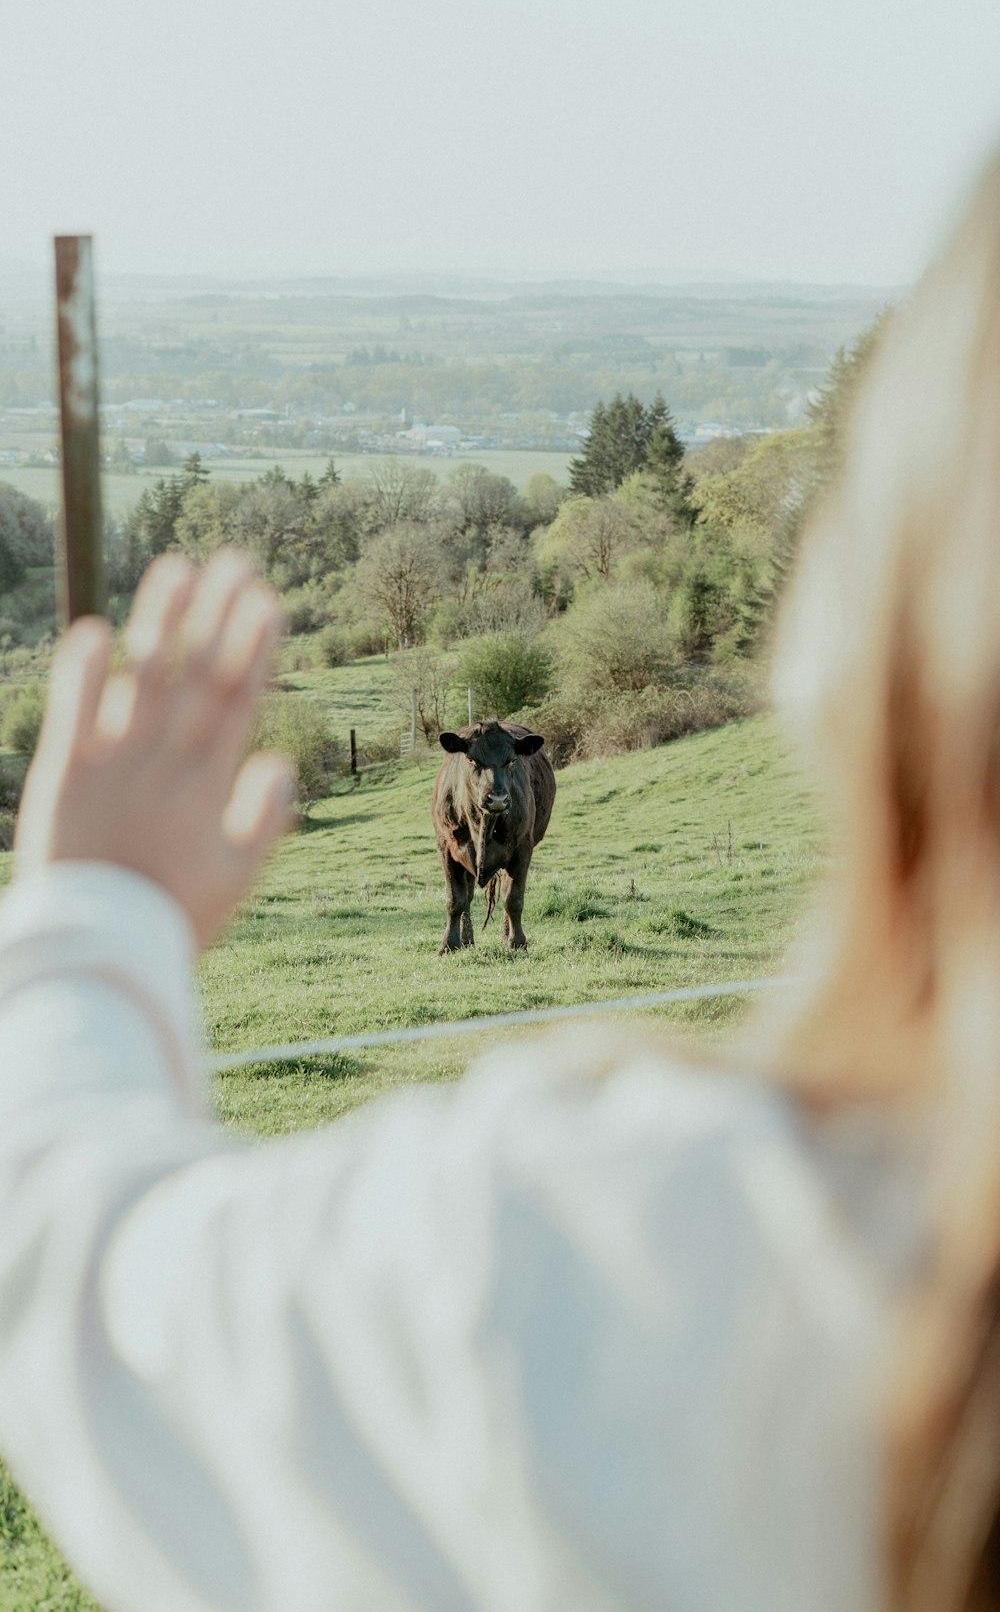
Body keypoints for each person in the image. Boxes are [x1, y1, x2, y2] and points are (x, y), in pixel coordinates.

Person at [3, 163, 1000, 1612]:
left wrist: (97, 911)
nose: (490, 779)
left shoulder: (620, 1256)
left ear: (874, 640)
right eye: (482, 766)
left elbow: (80, 1296)